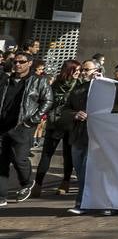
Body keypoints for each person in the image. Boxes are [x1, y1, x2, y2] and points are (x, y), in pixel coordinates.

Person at [1, 51, 52, 204]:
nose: (17, 64)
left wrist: (33, 120)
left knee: (19, 159)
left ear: (29, 63)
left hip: (23, 126)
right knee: (1, 161)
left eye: (21, 62)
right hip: (2, 126)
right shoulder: (5, 80)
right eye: (15, 62)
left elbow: (48, 101)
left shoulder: (38, 81)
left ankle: (27, 183)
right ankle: (1, 195)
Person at [34, 59, 80, 197]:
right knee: (47, 154)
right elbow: (49, 102)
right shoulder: (55, 84)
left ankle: (65, 182)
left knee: (68, 154)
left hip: (71, 123)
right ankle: (38, 184)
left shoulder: (79, 85)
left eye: (79, 70)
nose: (78, 73)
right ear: (68, 70)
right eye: (75, 70)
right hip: (55, 124)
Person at [65, 60, 99, 215]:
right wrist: (75, 114)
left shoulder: (104, 87)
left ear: (96, 70)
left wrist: (100, 81)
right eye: (82, 70)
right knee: (79, 171)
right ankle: (88, 201)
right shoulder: (77, 89)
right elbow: (65, 109)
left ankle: (82, 203)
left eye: (87, 70)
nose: (84, 72)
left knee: (86, 171)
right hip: (77, 135)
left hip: (95, 137)